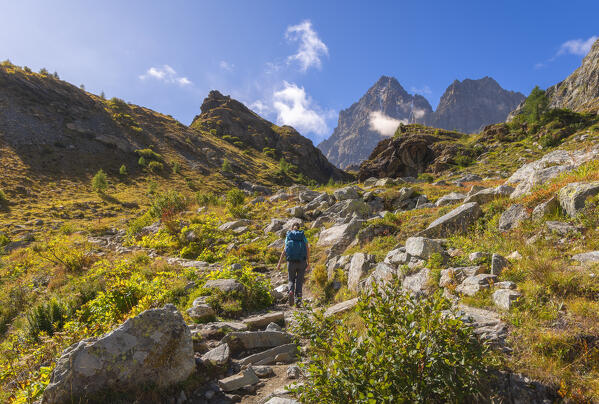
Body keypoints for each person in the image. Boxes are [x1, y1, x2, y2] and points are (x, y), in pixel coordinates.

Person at [276, 222, 310, 307]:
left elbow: (284, 250)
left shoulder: (289, 236)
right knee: (299, 281)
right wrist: (308, 262)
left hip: (291, 262)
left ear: (292, 228)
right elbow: (307, 249)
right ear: (299, 228)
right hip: (302, 262)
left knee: (291, 279)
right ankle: (298, 301)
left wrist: (279, 263)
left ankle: (291, 291)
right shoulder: (302, 236)